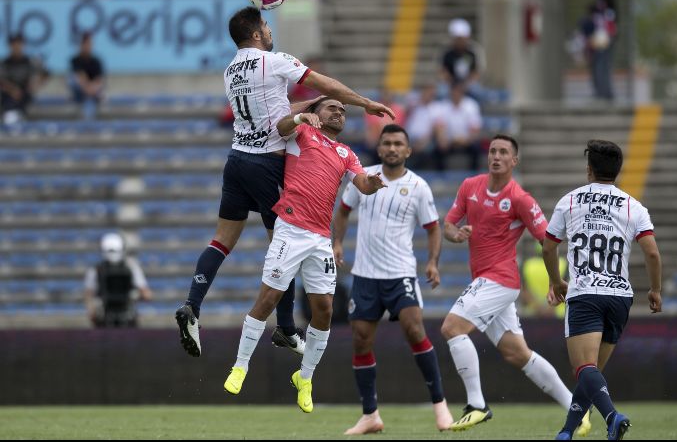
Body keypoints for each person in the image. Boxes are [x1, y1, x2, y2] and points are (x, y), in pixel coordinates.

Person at [174, 6, 395, 360]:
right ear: (258, 34)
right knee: (286, 243)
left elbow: (277, 105)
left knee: (221, 241)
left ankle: (191, 306)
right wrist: (364, 102)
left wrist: (316, 105)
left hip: (236, 161)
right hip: (266, 164)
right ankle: (287, 329)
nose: (269, 28)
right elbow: (324, 83)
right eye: (265, 24)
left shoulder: (231, 70)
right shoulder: (274, 61)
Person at [222, 97, 389, 414]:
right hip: (290, 228)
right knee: (269, 298)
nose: (339, 112)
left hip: (319, 238)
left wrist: (373, 183)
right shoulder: (303, 133)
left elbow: (362, 183)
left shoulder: (346, 153)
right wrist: (300, 119)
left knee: (324, 309)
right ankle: (241, 365)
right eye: (332, 108)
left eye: (342, 110)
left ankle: (305, 378)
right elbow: (280, 125)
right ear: (316, 113)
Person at [441, 135, 589, 433]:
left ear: (514, 160)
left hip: (501, 279)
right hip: (486, 280)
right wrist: (456, 234)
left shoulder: (521, 199)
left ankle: (477, 405)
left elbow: (549, 241)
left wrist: (555, 281)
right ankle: (577, 406)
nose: (496, 156)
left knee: (451, 328)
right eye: (493, 151)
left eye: (503, 152)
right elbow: (448, 225)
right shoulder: (470, 186)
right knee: (517, 353)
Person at [332, 124, 453, 434]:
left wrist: (433, 263)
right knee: (360, 340)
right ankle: (370, 414)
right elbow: (343, 210)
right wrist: (336, 243)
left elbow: (433, 227)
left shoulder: (419, 187)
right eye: (387, 143)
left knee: (415, 330)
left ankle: (440, 406)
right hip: (365, 275)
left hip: (400, 273)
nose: (392, 148)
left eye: (398, 143)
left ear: (408, 150)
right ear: (380, 147)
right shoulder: (364, 178)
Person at [543, 139, 663, 440]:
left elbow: (548, 247)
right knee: (591, 373)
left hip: (585, 293)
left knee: (583, 368)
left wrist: (557, 282)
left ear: (588, 170)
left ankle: (612, 416)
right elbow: (652, 253)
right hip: (620, 297)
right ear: (617, 171)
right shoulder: (633, 206)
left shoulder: (569, 201)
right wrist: (655, 290)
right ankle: (567, 431)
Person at [84, 233, 153, 328]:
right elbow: (147, 295)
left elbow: (146, 294)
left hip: (126, 317)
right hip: (106, 318)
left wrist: (135, 296)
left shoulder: (131, 268)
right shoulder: (96, 270)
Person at [579, 0, 619, 101]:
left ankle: (604, 93)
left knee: (602, 64)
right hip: (600, 36)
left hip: (605, 36)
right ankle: (602, 92)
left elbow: (608, 18)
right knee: (598, 63)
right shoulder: (602, 0)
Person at [0, 33, 48, 127]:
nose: (17, 47)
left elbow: (45, 74)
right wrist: (12, 90)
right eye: (14, 44)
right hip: (8, 97)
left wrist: (35, 84)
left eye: (19, 44)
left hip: (25, 96)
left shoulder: (29, 62)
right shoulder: (5, 63)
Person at [433, 83, 482, 171]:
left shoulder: (471, 105)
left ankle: (474, 176)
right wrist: (442, 139)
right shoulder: (443, 106)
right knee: (437, 150)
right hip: (449, 142)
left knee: (476, 148)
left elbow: (475, 129)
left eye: (458, 92)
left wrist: (465, 140)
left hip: (467, 141)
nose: (456, 94)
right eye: (454, 92)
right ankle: (441, 179)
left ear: (462, 92)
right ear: (450, 92)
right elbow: (439, 127)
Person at [519, 241, 567, 319]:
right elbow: (565, 289)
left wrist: (538, 307)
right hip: (558, 314)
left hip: (532, 315)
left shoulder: (527, 264)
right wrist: (551, 307)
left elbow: (524, 291)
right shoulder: (563, 263)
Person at [439, 18, 484, 100]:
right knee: (441, 91)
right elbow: (443, 72)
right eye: (457, 39)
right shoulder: (447, 53)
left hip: (468, 83)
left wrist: (465, 85)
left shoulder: (473, 52)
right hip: (451, 83)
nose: (460, 42)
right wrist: (452, 84)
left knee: (477, 91)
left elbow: (476, 73)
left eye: (462, 39)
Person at [404, 82, 441, 170]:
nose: (428, 94)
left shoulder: (436, 108)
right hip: (410, 139)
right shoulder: (414, 105)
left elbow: (435, 129)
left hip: (427, 140)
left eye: (430, 92)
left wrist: (423, 142)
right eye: (426, 91)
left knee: (427, 149)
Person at [69, 33, 105, 122]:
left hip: (92, 93)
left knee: (90, 102)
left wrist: (92, 89)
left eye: (90, 44)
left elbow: (99, 80)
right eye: (87, 44)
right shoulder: (75, 60)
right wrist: (88, 88)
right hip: (80, 92)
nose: (89, 47)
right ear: (82, 45)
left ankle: (88, 124)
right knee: (72, 79)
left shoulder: (96, 61)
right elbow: (80, 77)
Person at [364, 90, 406, 163]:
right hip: (376, 140)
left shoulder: (398, 109)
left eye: (389, 94)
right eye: (385, 94)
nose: (387, 97)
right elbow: (372, 127)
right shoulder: (375, 108)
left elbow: (398, 126)